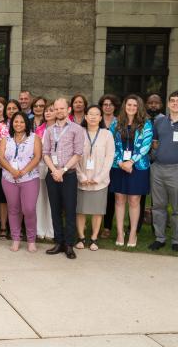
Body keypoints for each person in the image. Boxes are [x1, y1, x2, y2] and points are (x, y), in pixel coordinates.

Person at [42, 98, 85, 259]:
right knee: (55, 209)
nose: (59, 111)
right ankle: (59, 241)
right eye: (56, 109)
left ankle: (69, 244)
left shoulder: (77, 129)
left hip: (69, 175)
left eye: (62, 108)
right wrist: (54, 170)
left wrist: (63, 170)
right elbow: (45, 153)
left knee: (69, 209)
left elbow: (78, 153)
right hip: (52, 174)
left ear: (68, 110)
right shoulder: (49, 130)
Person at [109, 94, 152, 248]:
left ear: (139, 107)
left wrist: (131, 161)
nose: (132, 108)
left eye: (135, 105)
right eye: (129, 105)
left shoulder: (146, 124)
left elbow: (146, 145)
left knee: (134, 200)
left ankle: (133, 232)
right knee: (119, 199)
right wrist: (121, 162)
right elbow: (112, 144)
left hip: (138, 166)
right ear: (124, 106)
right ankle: (120, 232)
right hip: (118, 166)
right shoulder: (116, 123)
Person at [0, 112, 42, 252]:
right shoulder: (6, 139)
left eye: (22, 122)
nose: (18, 124)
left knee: (28, 209)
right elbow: (1, 157)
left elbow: (37, 157)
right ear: (12, 124)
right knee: (13, 209)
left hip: (29, 178)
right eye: (16, 122)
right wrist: (12, 170)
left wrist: (22, 172)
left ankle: (31, 240)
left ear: (26, 123)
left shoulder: (34, 138)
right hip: (9, 179)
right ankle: (15, 239)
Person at [75, 105, 115, 252]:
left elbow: (109, 158)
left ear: (100, 118)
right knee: (80, 210)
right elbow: (75, 156)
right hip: (82, 178)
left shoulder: (107, 134)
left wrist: (99, 177)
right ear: (85, 117)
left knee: (97, 211)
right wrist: (81, 176)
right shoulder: (79, 132)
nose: (92, 117)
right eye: (90, 114)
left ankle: (93, 238)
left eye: (96, 114)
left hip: (100, 180)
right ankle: (80, 237)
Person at [149, 91, 178, 251]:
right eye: (172, 101)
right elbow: (154, 142)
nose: (175, 103)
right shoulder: (160, 122)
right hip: (158, 169)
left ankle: (176, 240)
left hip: (176, 169)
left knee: (176, 208)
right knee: (158, 206)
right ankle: (160, 238)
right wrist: (156, 157)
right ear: (168, 104)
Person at [0, 99, 20, 239]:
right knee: (2, 198)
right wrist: (4, 165)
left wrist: (17, 167)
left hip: (20, 169)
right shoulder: (0, 127)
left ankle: (15, 227)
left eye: (14, 108)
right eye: (9, 108)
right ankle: (3, 226)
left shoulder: (24, 126)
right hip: (1, 168)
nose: (11, 111)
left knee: (17, 199)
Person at [98, 93, 120, 239]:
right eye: (105, 104)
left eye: (110, 104)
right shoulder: (96, 121)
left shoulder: (119, 123)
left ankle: (107, 227)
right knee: (98, 195)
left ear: (115, 107)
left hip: (114, 164)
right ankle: (96, 225)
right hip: (96, 164)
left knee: (111, 196)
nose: (107, 107)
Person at [35, 101, 55, 240]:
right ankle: (40, 229)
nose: (47, 112)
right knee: (40, 198)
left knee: (52, 199)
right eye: (46, 110)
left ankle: (51, 230)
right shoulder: (39, 129)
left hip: (55, 167)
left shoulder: (61, 129)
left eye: (51, 110)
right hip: (40, 167)